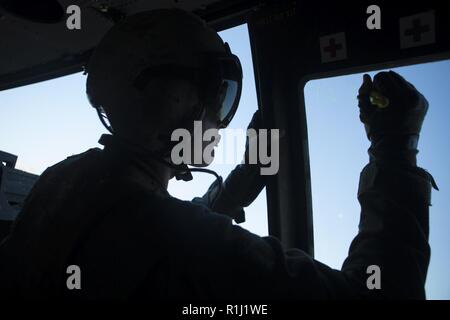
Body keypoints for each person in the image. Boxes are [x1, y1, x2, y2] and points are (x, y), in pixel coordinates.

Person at [0, 9, 437, 300]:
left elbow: (167, 218)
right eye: (219, 92)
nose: (221, 118)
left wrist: (246, 178)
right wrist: (396, 150)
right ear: (159, 91)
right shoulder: (166, 234)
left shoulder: (65, 179)